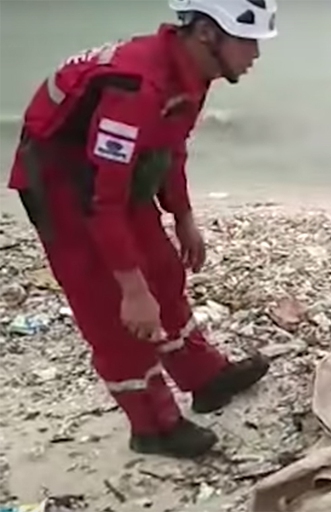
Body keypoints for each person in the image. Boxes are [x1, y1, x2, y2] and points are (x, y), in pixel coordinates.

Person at [5, 0, 279, 459]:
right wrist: (131, 288)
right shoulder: (138, 87)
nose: (255, 55)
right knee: (115, 310)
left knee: (164, 272)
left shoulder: (190, 74)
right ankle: (154, 426)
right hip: (65, 185)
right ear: (209, 34)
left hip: (115, 176)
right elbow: (101, 197)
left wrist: (184, 216)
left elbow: (169, 149)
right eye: (248, 41)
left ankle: (204, 377)